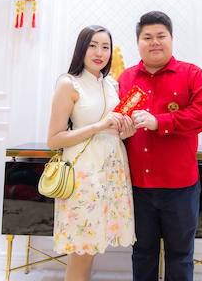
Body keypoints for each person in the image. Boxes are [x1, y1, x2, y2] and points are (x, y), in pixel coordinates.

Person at [118, 11, 202, 281]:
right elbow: (116, 118)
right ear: (138, 42)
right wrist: (120, 129)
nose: (155, 42)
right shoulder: (126, 78)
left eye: (161, 36)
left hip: (180, 186)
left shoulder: (192, 74)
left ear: (171, 39)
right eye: (147, 37)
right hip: (138, 186)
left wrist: (159, 121)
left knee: (180, 256)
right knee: (142, 253)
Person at [47, 25, 136, 281]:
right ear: (81, 49)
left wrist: (126, 130)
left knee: (93, 244)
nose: (99, 52)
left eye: (105, 47)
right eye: (93, 46)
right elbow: (54, 139)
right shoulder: (69, 83)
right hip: (83, 175)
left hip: (111, 172)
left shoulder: (111, 84)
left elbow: (113, 131)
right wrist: (98, 126)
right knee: (82, 248)